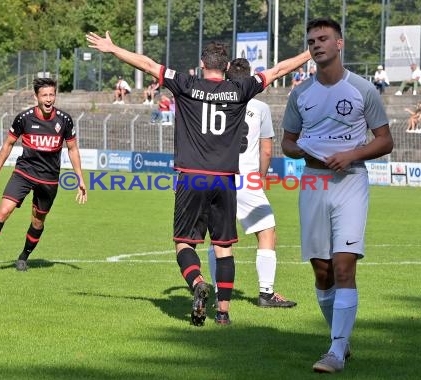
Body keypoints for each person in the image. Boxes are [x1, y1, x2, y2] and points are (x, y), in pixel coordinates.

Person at [86, 31, 310, 326]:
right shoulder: (241, 89)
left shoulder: (186, 84)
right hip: (226, 180)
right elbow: (279, 69)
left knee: (184, 245)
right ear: (227, 65)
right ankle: (223, 314)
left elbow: (147, 65)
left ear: (202, 63)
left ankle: (198, 284)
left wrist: (113, 49)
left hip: (192, 177)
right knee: (224, 247)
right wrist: (311, 53)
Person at [281, 18, 393, 373]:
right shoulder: (300, 93)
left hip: (351, 181)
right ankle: (339, 342)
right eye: (312, 41)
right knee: (322, 270)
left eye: (324, 39)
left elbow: (385, 140)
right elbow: (287, 142)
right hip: (313, 180)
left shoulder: (363, 89)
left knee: (344, 265)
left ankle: (335, 350)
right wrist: (302, 151)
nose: (317, 45)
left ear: (339, 44)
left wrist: (351, 155)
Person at [0, 78, 87, 271]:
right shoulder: (25, 118)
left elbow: (72, 149)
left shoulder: (64, 120)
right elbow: (8, 144)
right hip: (24, 173)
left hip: (48, 179)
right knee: (4, 211)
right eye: (44, 95)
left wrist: (80, 178)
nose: (49, 99)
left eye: (52, 94)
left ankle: (23, 257)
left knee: (38, 221)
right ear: (36, 97)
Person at [207, 58, 297, 309]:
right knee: (267, 232)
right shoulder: (259, 107)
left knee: (218, 239)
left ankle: (218, 293)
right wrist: (262, 176)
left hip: (217, 177)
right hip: (246, 178)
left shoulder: (214, 101)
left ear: (227, 77)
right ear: (249, 79)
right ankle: (266, 293)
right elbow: (266, 150)